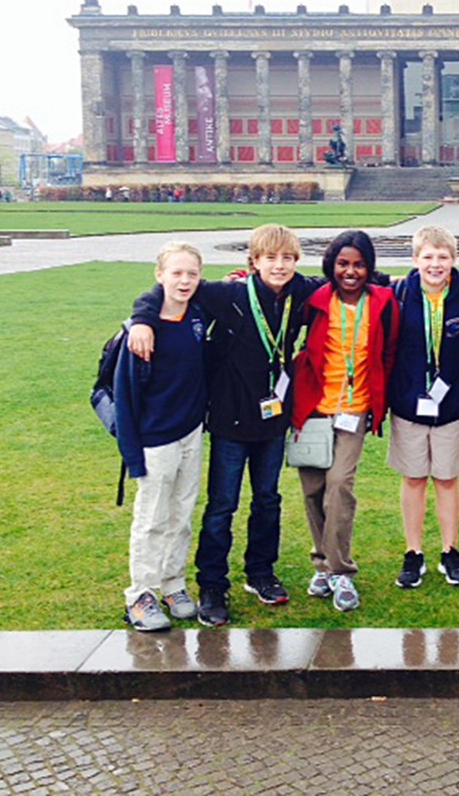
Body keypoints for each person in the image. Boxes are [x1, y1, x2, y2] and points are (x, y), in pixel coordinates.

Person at [128, 224, 318, 627]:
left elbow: (346, 278)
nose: (279, 266)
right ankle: (213, 584)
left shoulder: (301, 294)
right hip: (230, 421)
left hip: (272, 419)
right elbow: (168, 290)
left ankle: (260, 573)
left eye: (287, 258)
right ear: (254, 262)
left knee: (267, 500)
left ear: (296, 261)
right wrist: (142, 318)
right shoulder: (228, 294)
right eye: (270, 258)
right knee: (222, 506)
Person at [290, 230, 400, 612]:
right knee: (312, 489)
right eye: (343, 264)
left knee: (340, 485)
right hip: (315, 405)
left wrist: (377, 405)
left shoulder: (384, 302)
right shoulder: (314, 299)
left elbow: (388, 354)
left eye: (358, 264)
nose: (350, 272)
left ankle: (341, 571)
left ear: (369, 267)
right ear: (331, 265)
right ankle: (321, 564)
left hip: (355, 407)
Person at [115, 242, 209, 631]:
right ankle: (141, 595)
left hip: (191, 431)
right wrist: (133, 455)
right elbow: (124, 398)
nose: (184, 281)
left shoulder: (199, 317)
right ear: (160, 276)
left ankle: (173, 583)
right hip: (155, 438)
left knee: (182, 514)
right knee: (152, 518)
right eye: (176, 273)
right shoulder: (140, 330)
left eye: (192, 274)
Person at [387, 226, 459, 589]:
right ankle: (413, 552)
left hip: (451, 402)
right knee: (413, 478)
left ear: (453, 260)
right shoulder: (399, 293)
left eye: (443, 257)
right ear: (415, 260)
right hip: (408, 401)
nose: (435, 264)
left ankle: (449, 550)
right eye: (428, 257)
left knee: (446, 478)